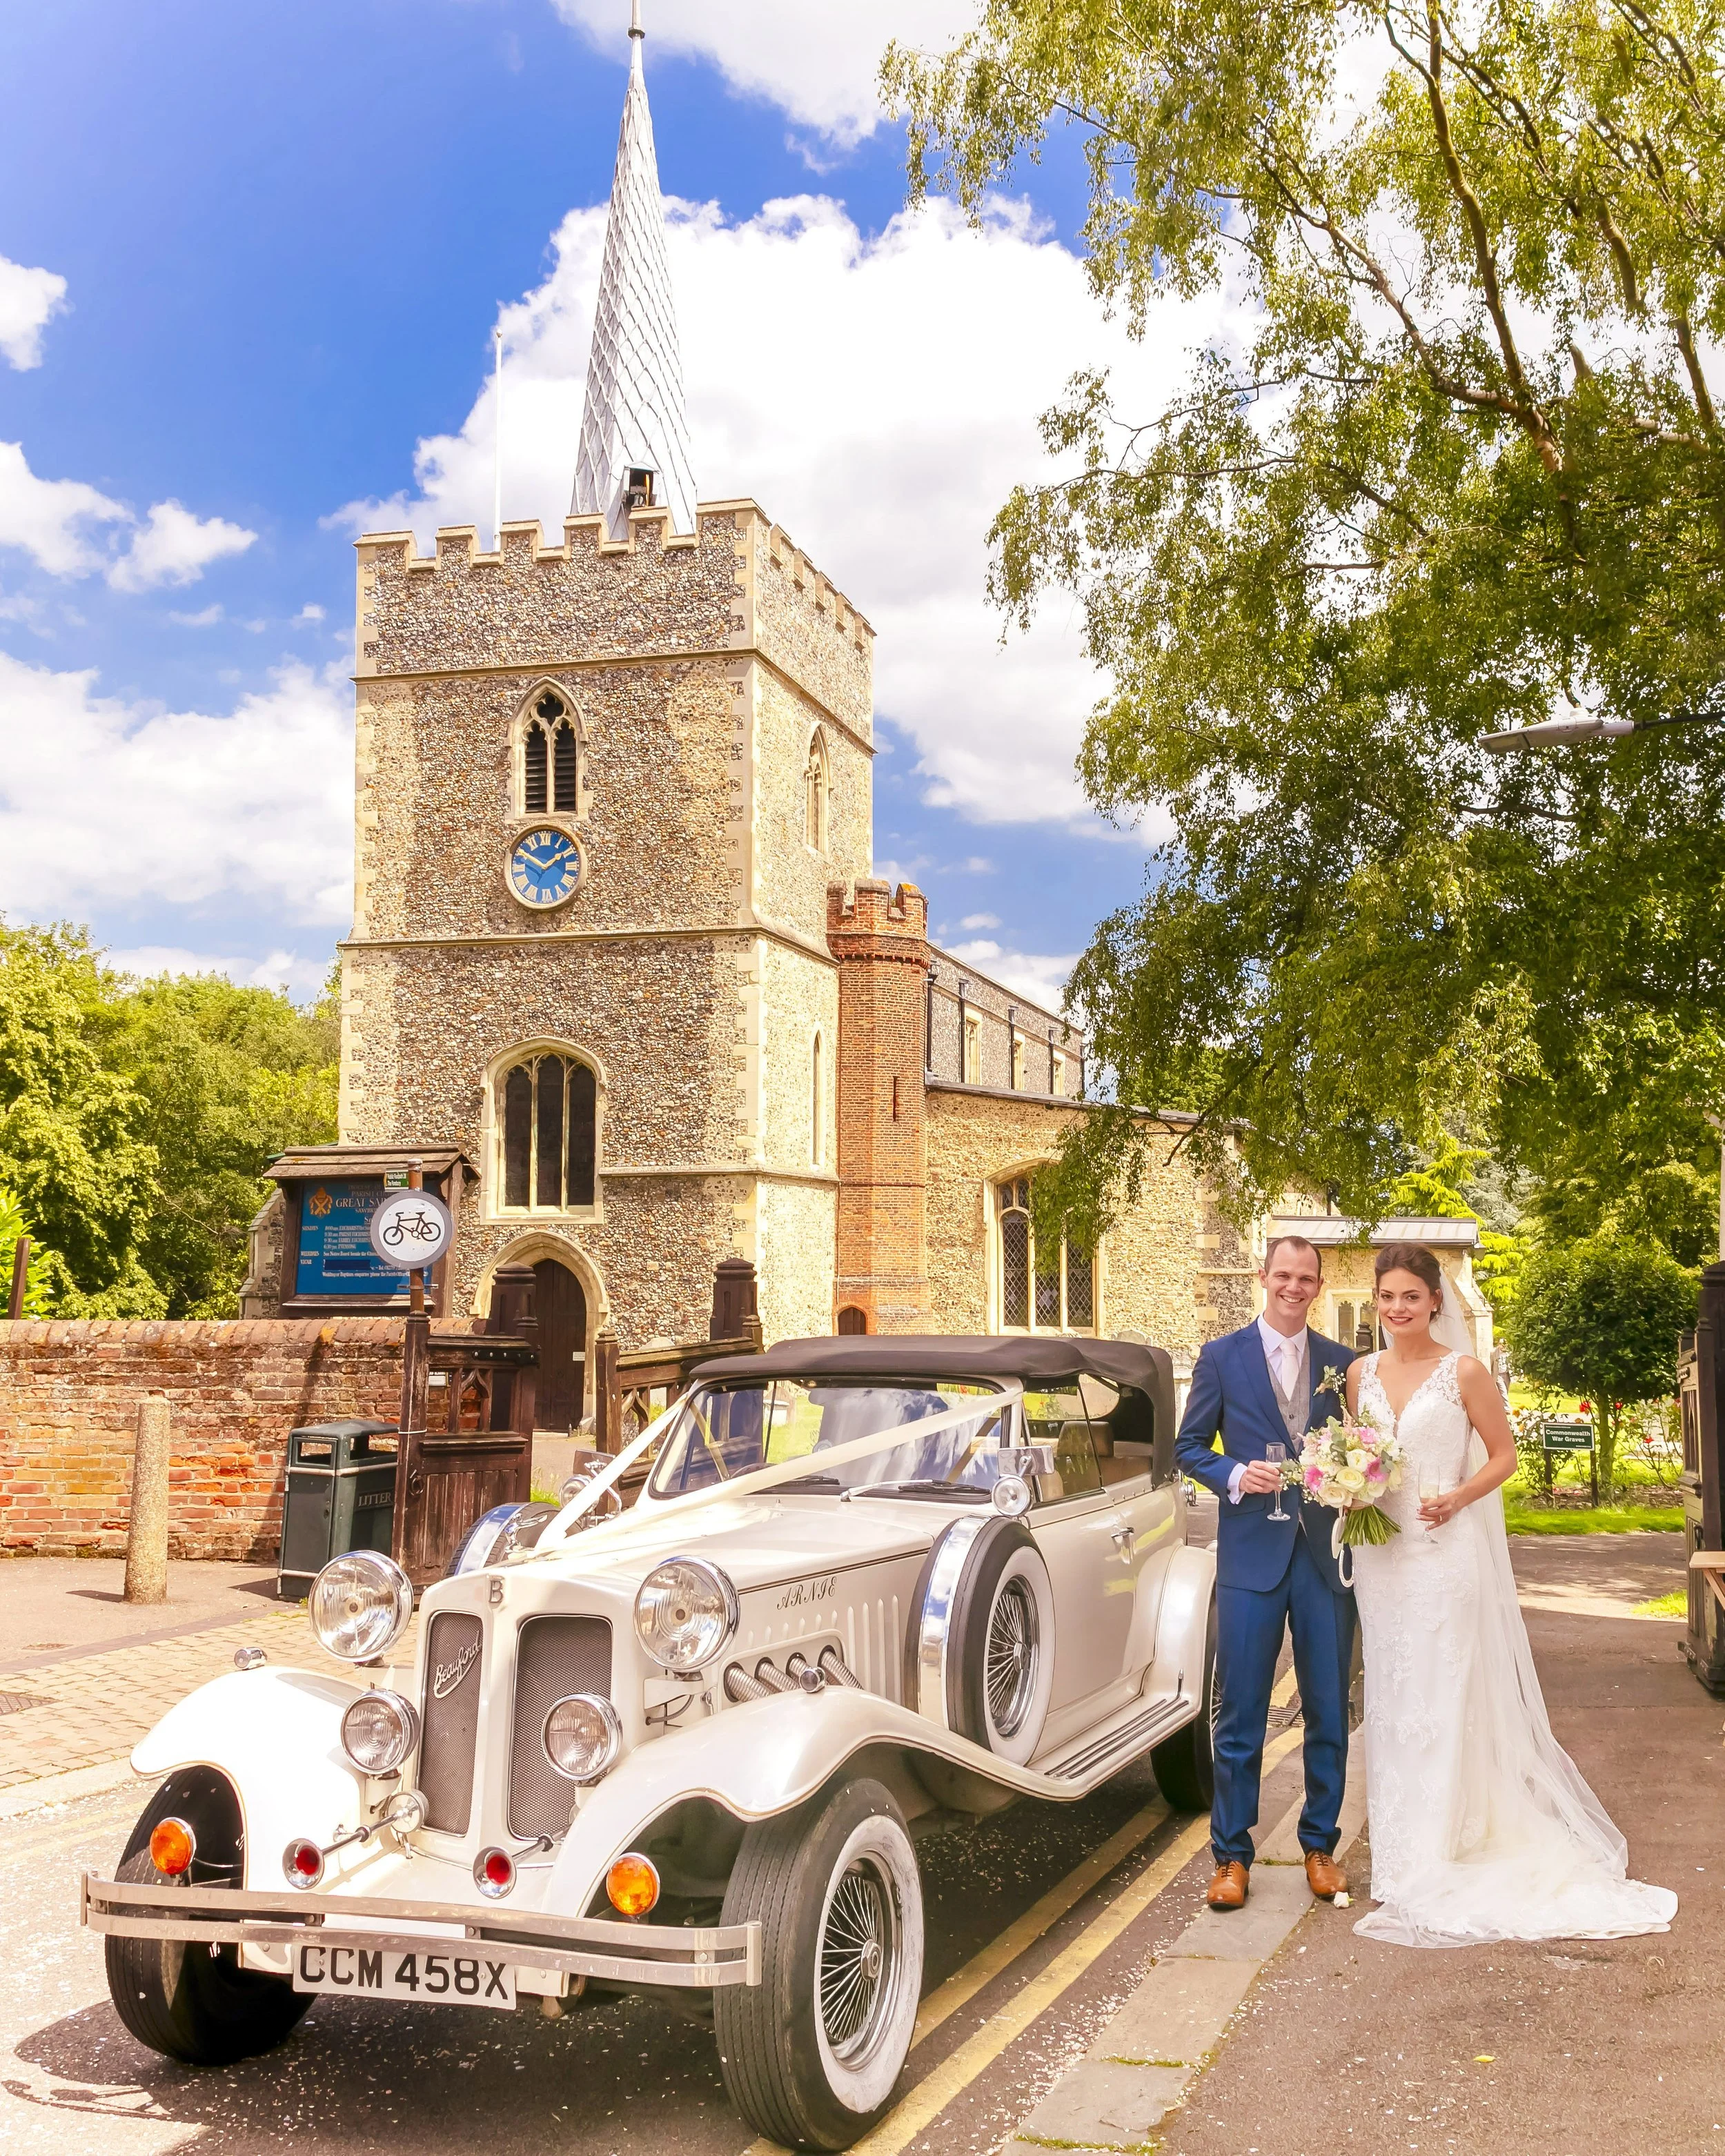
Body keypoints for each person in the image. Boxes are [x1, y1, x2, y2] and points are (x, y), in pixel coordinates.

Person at [1346, 1240, 1677, 1946]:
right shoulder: (1358, 1374)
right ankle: (1401, 1854)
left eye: (1410, 1295)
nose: (1397, 1308)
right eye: (1386, 1297)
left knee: (1443, 1692)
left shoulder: (1461, 1371)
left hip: (1443, 1551)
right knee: (1395, 1696)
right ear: (1375, 1302)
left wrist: (1459, 1497)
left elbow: (1504, 1456)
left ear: (1435, 1299)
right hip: (1384, 1554)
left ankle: (1442, 1849)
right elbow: (1356, 1454)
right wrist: (1345, 1491)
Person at [1176, 1236, 1357, 1912]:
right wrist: (1229, 1472)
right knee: (1240, 1710)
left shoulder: (1342, 1364)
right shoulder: (1221, 1357)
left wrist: (1355, 1479)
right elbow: (1188, 1446)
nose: (1293, 1286)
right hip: (1250, 1555)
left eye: (1305, 1277)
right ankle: (1230, 1855)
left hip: (1320, 1558)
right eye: (1282, 1274)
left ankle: (1319, 1844)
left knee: (1327, 1706)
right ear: (1263, 1277)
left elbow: (1361, 1448)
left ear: (1317, 1284)